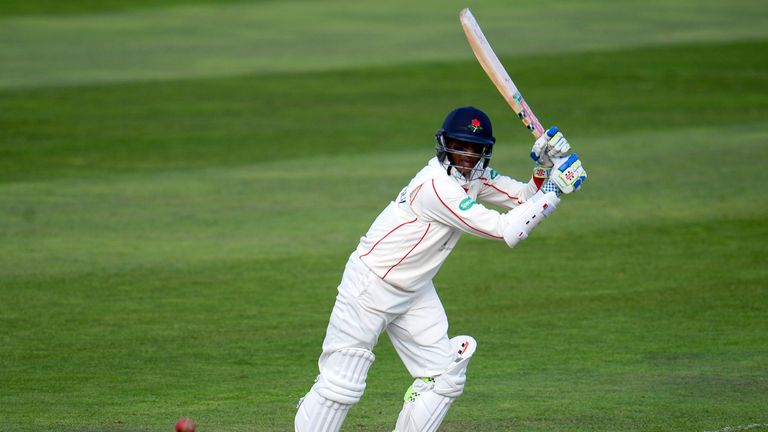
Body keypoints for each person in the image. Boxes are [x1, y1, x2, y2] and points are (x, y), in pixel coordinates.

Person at [294, 106, 587, 432]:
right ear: (445, 144)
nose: (466, 156)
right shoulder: (435, 186)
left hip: (415, 288)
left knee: (444, 375)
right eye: (459, 146)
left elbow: (521, 198)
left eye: (474, 149)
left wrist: (545, 169)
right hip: (370, 286)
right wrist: (554, 192)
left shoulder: (474, 177)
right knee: (341, 386)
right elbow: (507, 230)